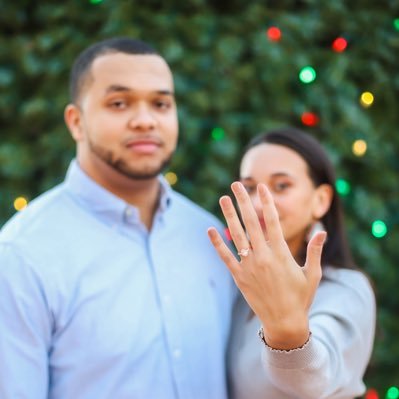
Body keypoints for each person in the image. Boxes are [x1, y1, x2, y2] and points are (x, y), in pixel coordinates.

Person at [0, 37, 236, 399]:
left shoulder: (210, 237)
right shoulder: (21, 255)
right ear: (76, 122)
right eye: (119, 103)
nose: (145, 121)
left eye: (160, 103)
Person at [208, 127, 376, 399]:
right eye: (249, 188)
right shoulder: (243, 287)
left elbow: (313, 381)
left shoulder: (345, 290)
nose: (259, 204)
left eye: (281, 186)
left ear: (320, 200)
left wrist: (289, 334)